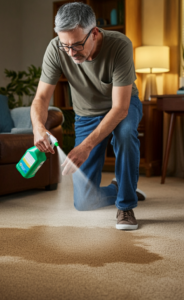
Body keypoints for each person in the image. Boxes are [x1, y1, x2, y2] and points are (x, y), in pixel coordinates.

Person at [31, 2, 146, 230]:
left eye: (77, 45)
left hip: (122, 105)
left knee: (124, 133)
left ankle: (125, 206)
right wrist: (38, 128)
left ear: (94, 33)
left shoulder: (119, 45)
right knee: (83, 202)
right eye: (66, 46)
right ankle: (120, 188)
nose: (72, 53)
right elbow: (41, 98)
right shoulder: (56, 48)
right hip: (86, 114)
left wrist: (86, 146)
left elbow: (120, 109)